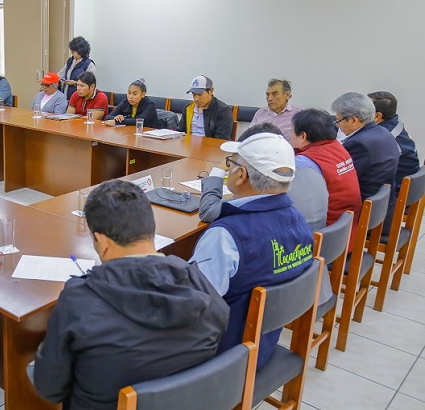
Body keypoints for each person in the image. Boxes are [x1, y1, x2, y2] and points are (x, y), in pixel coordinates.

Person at [33, 180, 228, 410]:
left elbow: (50, 389)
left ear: (102, 242)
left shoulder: (79, 300)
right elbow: (221, 320)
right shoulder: (198, 283)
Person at [190, 132, 314, 370]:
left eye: (231, 163)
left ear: (241, 175)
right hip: (262, 345)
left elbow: (192, 308)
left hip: (221, 359)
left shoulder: (225, 236)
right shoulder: (300, 223)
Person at [199, 123, 329, 232]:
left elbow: (208, 211)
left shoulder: (262, 194)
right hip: (308, 248)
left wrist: (220, 169)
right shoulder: (313, 172)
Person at [291, 108, 362, 240]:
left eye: (292, 131)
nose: (290, 136)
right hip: (346, 228)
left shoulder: (304, 164)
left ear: (303, 136)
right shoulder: (337, 147)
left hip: (326, 236)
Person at [333, 92, 399, 201]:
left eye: (338, 121)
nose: (337, 125)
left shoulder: (359, 144)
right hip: (382, 203)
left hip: (366, 205)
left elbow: (341, 179)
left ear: (353, 120)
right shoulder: (383, 132)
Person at [368, 91, 420, 192]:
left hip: (395, 192)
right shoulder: (395, 123)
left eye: (364, 109)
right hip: (405, 184)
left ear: (377, 116)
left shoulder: (384, 138)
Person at [177, 75, 233, 140]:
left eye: (200, 94)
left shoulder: (223, 111)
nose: (196, 99)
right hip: (188, 144)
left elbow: (221, 140)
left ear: (211, 91)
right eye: (194, 94)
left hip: (209, 145)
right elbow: (180, 132)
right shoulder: (188, 108)